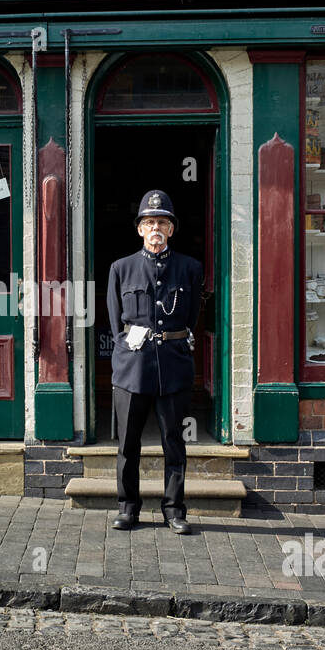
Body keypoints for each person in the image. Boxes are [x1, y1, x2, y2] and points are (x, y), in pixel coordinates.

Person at [106, 190, 203, 534]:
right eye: (149, 222)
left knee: (173, 442)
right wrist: (127, 352)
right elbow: (116, 322)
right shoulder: (121, 268)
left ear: (172, 229)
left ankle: (174, 510)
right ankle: (128, 507)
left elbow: (190, 317)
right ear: (140, 229)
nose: (156, 228)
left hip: (174, 366)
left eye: (162, 222)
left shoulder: (190, 269)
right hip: (132, 368)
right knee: (128, 444)